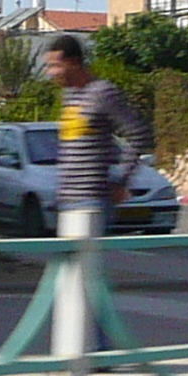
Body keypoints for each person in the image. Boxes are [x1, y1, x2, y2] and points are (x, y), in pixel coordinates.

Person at [42, 34, 141, 234]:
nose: (51, 73)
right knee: (67, 265)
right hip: (67, 201)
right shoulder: (69, 95)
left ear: (74, 63)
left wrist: (122, 180)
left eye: (56, 65)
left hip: (92, 202)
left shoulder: (102, 93)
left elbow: (139, 133)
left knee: (83, 265)